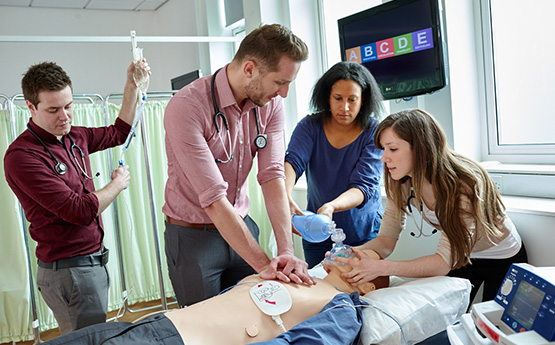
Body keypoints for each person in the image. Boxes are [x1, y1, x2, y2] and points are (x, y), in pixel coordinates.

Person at [162, 23, 313, 308]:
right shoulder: (187, 107)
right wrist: (264, 265)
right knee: (207, 330)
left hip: (244, 229)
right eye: (280, 82)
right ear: (249, 69)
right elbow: (214, 200)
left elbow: (272, 177)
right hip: (194, 237)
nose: (284, 93)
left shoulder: (269, 105)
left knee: (259, 319)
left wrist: (287, 252)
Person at [3, 60, 148, 334]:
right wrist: (117, 184)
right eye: (53, 110)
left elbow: (119, 132)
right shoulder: (22, 156)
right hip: (68, 272)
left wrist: (131, 86)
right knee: (85, 342)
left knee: (94, 338)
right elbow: (78, 211)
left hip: (91, 264)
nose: (65, 117)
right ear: (31, 107)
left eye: (68, 106)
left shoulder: (73, 137)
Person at [336, 109, 528, 303]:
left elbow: (442, 264)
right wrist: (349, 255)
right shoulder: (400, 181)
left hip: (502, 256)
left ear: (420, 148)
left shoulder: (464, 184)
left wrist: (382, 267)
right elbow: (386, 239)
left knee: (492, 326)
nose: (384, 158)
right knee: (449, 315)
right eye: (383, 149)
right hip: (461, 255)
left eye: (392, 149)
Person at [41, 254, 388, 345]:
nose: (349, 251)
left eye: (363, 256)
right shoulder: (296, 273)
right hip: (161, 323)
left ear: (368, 287)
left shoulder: (343, 308)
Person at [284, 61, 384, 268]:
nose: (344, 107)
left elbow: (363, 187)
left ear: (363, 100)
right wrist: (284, 198)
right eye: (338, 98)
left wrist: (331, 206)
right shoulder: (309, 126)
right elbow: (293, 162)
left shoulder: (374, 132)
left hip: (363, 232)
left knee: (364, 291)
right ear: (327, 97)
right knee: (321, 292)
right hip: (317, 232)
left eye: (352, 100)